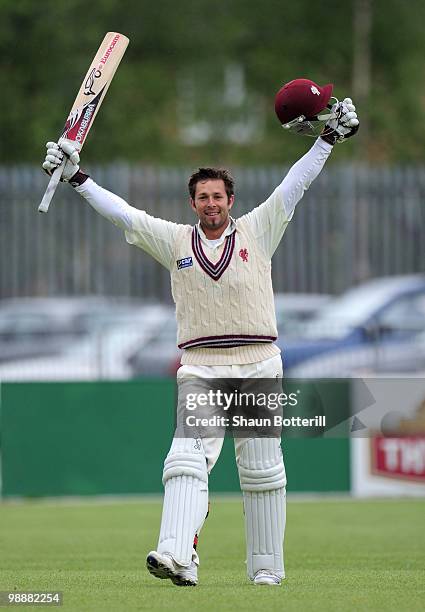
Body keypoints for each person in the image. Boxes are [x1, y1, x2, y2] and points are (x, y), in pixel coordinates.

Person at [42, 79, 359, 587]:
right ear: (192, 203)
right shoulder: (174, 242)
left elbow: (293, 186)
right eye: (202, 197)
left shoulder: (259, 229)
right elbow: (124, 213)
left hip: (258, 363)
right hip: (203, 368)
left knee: (262, 473)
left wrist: (326, 141)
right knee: (186, 459)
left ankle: (266, 573)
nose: (211, 203)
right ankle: (175, 554)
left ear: (230, 199)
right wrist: (78, 177)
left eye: (218, 196)